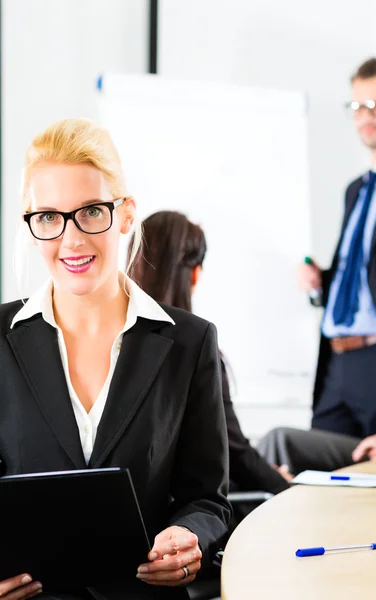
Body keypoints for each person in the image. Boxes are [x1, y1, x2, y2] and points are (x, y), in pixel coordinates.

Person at [0, 118, 231, 600]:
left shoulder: (189, 343)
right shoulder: (1, 338)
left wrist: (190, 539)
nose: (71, 240)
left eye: (90, 212)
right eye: (48, 217)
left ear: (125, 215)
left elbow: (207, 499)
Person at [127, 210, 291, 502]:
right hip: (190, 514)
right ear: (194, 273)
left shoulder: (113, 340)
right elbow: (234, 450)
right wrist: (285, 487)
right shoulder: (195, 344)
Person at [298, 58, 376, 438]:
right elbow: (363, 271)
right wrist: (321, 282)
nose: (366, 116)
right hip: (337, 364)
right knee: (317, 479)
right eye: (358, 106)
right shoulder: (356, 189)